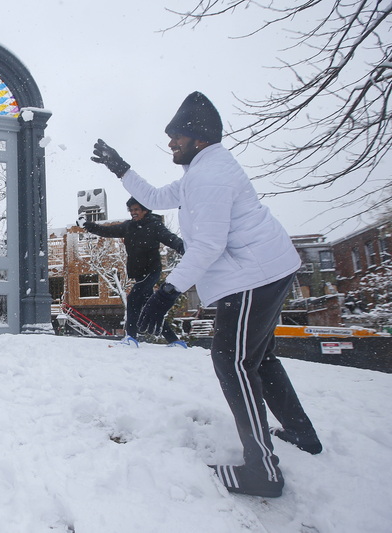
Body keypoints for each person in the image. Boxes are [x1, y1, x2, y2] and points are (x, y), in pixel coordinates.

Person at [91, 91, 322, 498]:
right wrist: (121, 169)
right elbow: (159, 198)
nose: (170, 143)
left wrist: (167, 292)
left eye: (176, 136)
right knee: (259, 357)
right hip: (265, 271)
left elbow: (209, 245)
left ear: (198, 138)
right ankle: (302, 434)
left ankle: (262, 471)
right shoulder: (199, 172)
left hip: (255, 276)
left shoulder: (211, 177)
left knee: (232, 362)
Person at [81, 196, 185, 347]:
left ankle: (131, 338)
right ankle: (174, 341)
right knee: (151, 308)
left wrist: (184, 248)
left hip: (151, 271)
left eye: (136, 209)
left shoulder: (154, 225)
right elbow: (106, 230)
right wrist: (87, 225)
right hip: (138, 273)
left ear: (145, 210)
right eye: (131, 210)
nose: (133, 213)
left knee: (133, 299)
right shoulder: (128, 226)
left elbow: (170, 238)